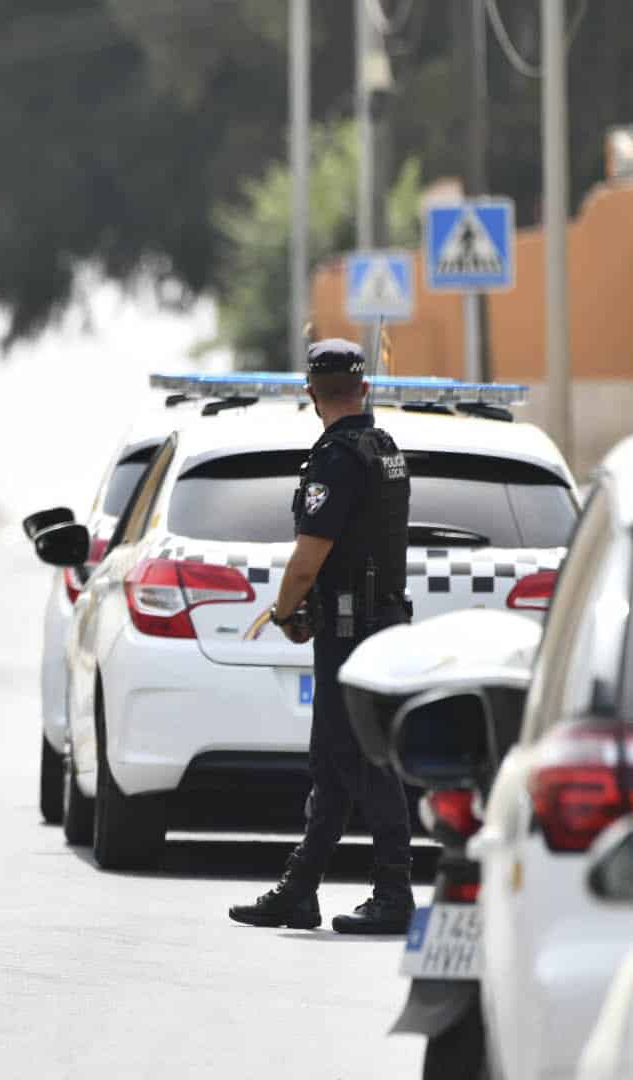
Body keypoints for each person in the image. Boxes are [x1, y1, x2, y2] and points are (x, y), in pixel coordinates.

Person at [229, 338, 415, 935]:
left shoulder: (336, 458)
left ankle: (394, 891)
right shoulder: (384, 448)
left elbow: (308, 560)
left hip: (349, 626)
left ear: (310, 393)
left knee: (362, 759)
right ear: (365, 389)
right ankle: (301, 889)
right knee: (332, 762)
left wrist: (284, 612)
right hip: (377, 621)